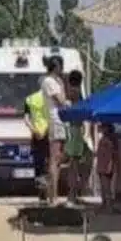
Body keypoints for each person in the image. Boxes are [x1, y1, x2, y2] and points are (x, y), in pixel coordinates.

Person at [40, 56, 69, 204]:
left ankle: (54, 193)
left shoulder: (55, 81)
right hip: (56, 121)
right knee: (54, 159)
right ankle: (53, 196)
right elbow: (61, 101)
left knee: (58, 160)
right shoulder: (49, 82)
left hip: (60, 122)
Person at [64, 70, 89, 203]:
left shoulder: (70, 93)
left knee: (75, 163)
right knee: (74, 163)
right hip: (75, 129)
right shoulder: (76, 93)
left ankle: (73, 192)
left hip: (74, 129)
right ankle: (72, 193)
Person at [23, 89, 51, 200]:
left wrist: (34, 130)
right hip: (49, 133)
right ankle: (49, 190)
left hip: (36, 135)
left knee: (38, 163)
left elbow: (26, 119)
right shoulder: (51, 98)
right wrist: (46, 130)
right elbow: (51, 117)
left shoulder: (30, 99)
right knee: (50, 162)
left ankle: (41, 190)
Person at [95, 123, 118, 212]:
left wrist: (110, 166)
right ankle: (104, 204)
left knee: (106, 187)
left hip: (106, 166)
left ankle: (109, 206)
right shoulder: (103, 139)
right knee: (103, 187)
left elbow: (113, 155)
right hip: (101, 165)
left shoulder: (110, 140)